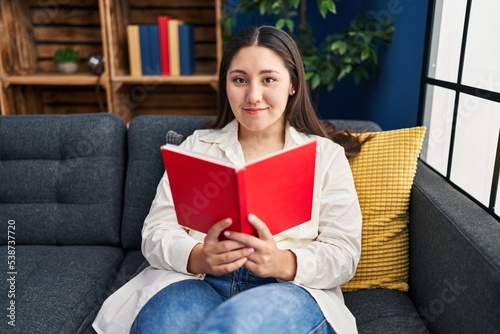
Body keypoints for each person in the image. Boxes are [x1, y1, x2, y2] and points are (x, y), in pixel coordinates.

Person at [93, 25, 367, 334]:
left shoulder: (326, 157)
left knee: (236, 327)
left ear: (292, 84)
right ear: (226, 84)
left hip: (288, 287)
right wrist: (199, 257)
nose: (252, 96)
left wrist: (283, 262)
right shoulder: (196, 147)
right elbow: (155, 232)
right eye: (239, 80)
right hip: (198, 281)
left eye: (269, 79)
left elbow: (344, 253)